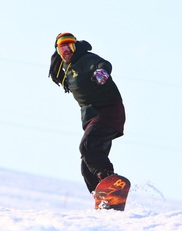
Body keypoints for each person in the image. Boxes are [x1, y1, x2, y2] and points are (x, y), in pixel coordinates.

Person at [48, 32, 126, 194]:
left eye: (70, 47)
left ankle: (108, 179)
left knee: (87, 146)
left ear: (76, 47)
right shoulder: (65, 67)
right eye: (62, 49)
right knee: (87, 166)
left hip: (108, 110)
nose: (67, 52)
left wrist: (102, 73)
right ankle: (103, 197)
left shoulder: (86, 59)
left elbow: (103, 64)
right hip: (93, 117)